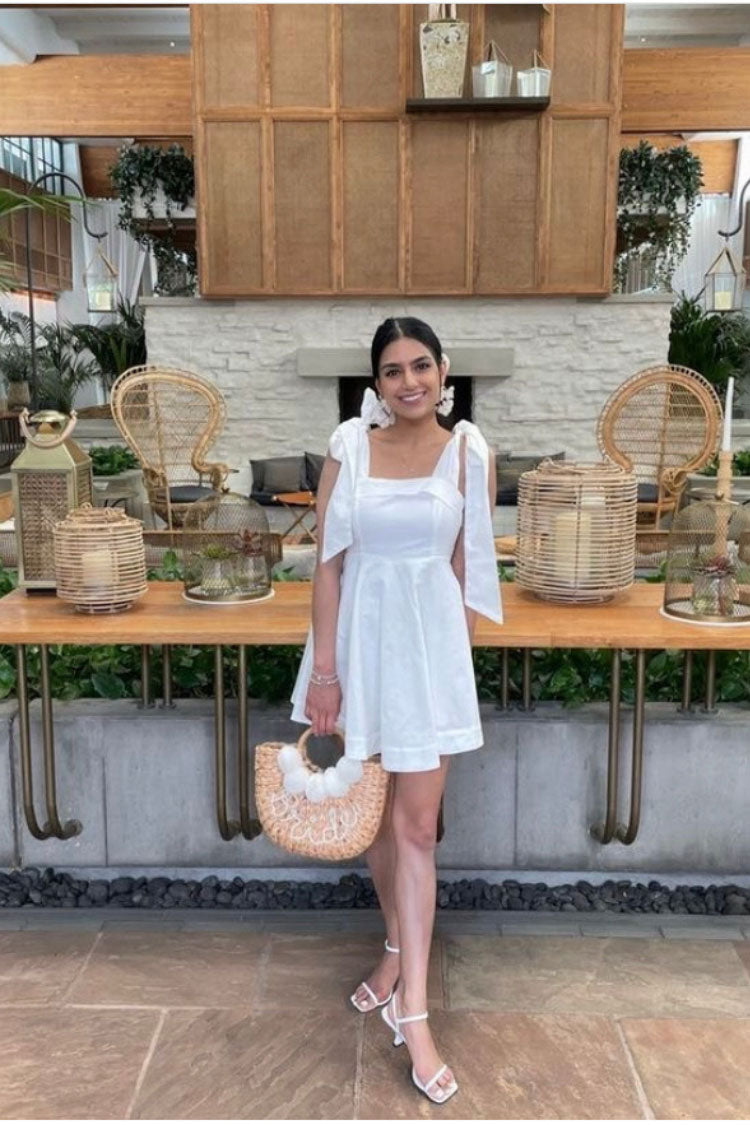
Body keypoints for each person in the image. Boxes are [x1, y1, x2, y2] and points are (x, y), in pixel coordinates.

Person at [290, 316, 503, 1105]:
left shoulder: (468, 452)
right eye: (392, 370)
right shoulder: (349, 448)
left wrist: (456, 674)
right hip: (358, 654)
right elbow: (328, 569)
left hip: (429, 659)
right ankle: (392, 948)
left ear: (444, 371)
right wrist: (325, 675)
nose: (408, 381)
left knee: (416, 826)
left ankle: (412, 1009)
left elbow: (467, 567)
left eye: (421, 365)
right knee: (375, 822)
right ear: (375, 383)